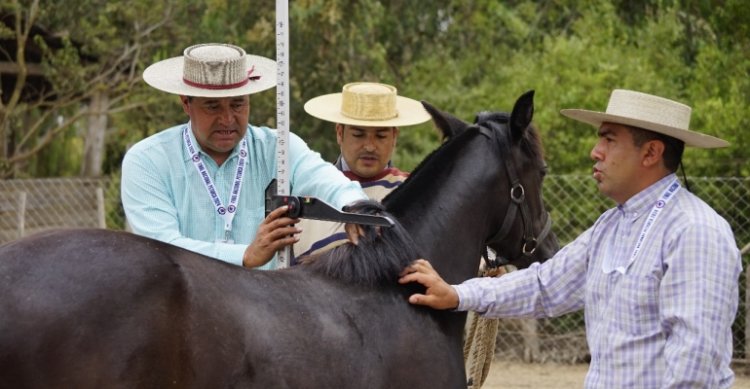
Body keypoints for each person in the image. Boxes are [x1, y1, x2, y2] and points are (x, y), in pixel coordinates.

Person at [399, 89, 742, 388]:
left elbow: (694, 364)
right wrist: (456, 294)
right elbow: (544, 286)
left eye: (608, 139)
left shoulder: (695, 232)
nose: (595, 151)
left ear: (651, 153)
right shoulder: (611, 226)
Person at [121, 43, 368, 270]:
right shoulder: (148, 161)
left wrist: (355, 206)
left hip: (265, 307)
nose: (227, 119)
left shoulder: (279, 148)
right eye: (212, 106)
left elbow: (323, 178)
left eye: (238, 104)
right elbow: (164, 247)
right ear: (186, 103)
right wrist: (245, 255)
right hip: (182, 307)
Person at [292, 82, 430, 259]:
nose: (370, 147)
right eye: (358, 135)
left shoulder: (416, 192)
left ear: (395, 137)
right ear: (339, 133)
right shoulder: (305, 196)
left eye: (381, 136)